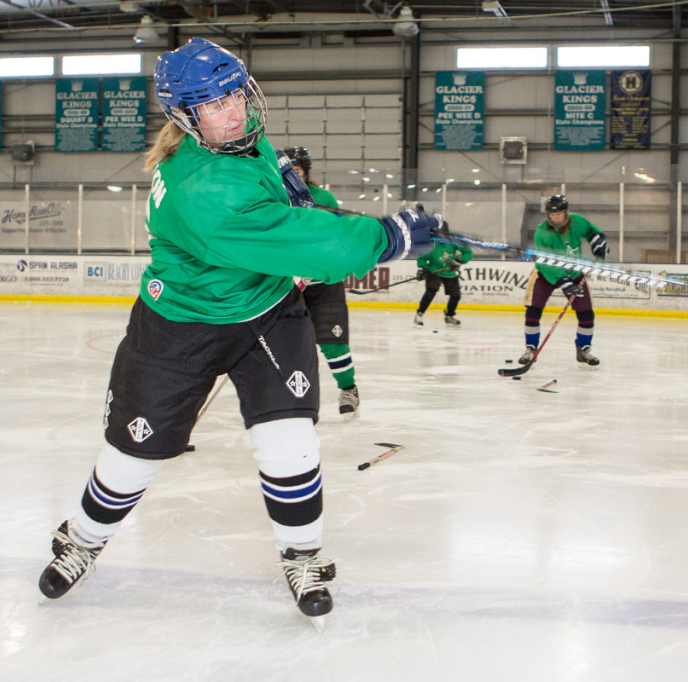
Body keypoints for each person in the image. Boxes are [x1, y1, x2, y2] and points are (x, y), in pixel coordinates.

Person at [37, 37, 438, 632]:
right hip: (182, 325)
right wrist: (388, 237)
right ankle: (84, 539)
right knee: (132, 456)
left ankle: (303, 556)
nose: (233, 112)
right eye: (213, 105)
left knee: (290, 444)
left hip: (265, 313)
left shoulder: (242, 138)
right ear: (185, 117)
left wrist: (294, 194)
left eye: (236, 95)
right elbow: (316, 245)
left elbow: (280, 205)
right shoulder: (203, 190)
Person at [283, 147, 359, 421]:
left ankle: (348, 389)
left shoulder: (322, 198)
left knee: (332, 341)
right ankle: (293, 399)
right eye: (288, 171)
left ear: (306, 171)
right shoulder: (274, 198)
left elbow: (335, 236)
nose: (294, 176)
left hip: (324, 283)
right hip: (287, 285)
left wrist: (318, 264)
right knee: (288, 345)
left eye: (298, 170)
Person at [520, 195, 608, 366]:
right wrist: (563, 280)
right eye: (553, 215)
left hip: (575, 274)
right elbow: (545, 261)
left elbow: (592, 231)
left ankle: (584, 349)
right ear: (548, 215)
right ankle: (530, 349)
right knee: (533, 310)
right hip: (546, 274)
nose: (556, 218)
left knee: (586, 314)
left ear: (566, 213)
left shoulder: (577, 221)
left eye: (560, 214)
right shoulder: (542, 232)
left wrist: (598, 240)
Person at [414, 223, 473, 326]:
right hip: (434, 271)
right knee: (430, 293)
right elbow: (422, 258)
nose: (442, 233)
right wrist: (423, 269)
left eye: (444, 230)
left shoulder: (453, 241)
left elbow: (468, 252)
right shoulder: (431, 244)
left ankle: (449, 316)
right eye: (440, 230)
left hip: (450, 272)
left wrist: (459, 261)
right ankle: (420, 314)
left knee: (456, 296)